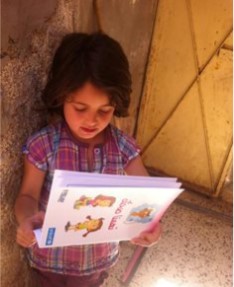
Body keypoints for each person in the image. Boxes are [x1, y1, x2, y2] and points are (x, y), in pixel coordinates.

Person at [14, 32, 161, 287]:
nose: (92, 121)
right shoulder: (44, 145)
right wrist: (26, 220)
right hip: (48, 262)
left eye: (105, 110)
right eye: (80, 108)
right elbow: (27, 196)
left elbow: (147, 197)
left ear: (117, 103)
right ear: (61, 97)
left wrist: (151, 225)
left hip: (97, 264)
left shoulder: (123, 147)